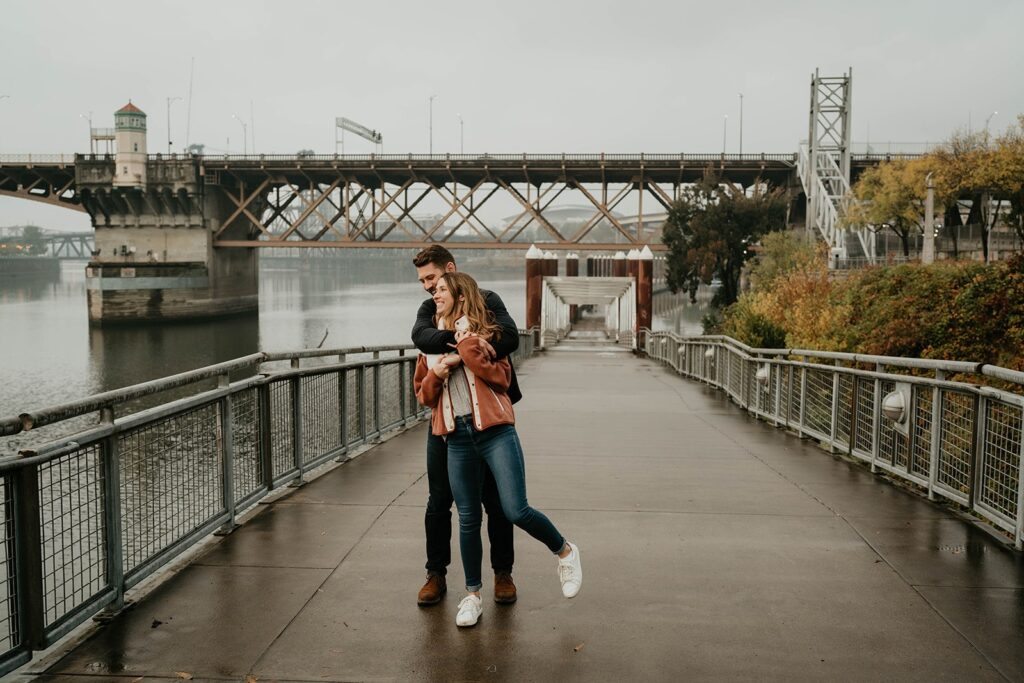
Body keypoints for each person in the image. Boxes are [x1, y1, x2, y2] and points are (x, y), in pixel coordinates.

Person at [414, 272, 582, 628]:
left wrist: (464, 349)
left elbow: (501, 378)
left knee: (515, 509)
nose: (434, 295)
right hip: (456, 438)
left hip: (495, 432)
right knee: (468, 519)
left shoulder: (487, 336)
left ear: (460, 297)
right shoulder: (429, 346)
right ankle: (472, 595)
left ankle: (565, 552)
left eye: (441, 289)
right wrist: (439, 371)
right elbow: (424, 397)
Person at [411, 245, 520, 607]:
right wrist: (467, 342)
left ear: (450, 270)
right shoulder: (431, 308)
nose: (428, 287)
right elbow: (421, 337)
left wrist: (480, 339)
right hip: (445, 419)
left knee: (497, 501)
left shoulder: (487, 299)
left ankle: (502, 573)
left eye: (432, 279)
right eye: (424, 281)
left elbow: (511, 336)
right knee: (439, 501)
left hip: (485, 415)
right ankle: (435, 574)